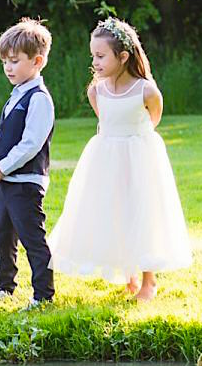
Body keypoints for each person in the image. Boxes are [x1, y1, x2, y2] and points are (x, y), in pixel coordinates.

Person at [49, 18, 192, 301]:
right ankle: (129, 269)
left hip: (140, 157)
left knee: (143, 209)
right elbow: (106, 120)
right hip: (107, 157)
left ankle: (149, 279)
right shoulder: (96, 91)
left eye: (101, 56)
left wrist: (132, 142)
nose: (95, 62)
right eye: (93, 56)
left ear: (123, 56)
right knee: (115, 208)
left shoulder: (146, 90)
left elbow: (153, 120)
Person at [0, 18, 55, 310]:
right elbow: (5, 141)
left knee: (31, 237)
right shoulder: (16, 96)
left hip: (26, 182)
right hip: (7, 181)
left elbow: (30, 144)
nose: (8, 68)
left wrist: (4, 167)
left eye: (14, 61)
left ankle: (43, 294)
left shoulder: (39, 98)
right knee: (4, 235)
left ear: (36, 61)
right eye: (5, 62)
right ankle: (5, 286)